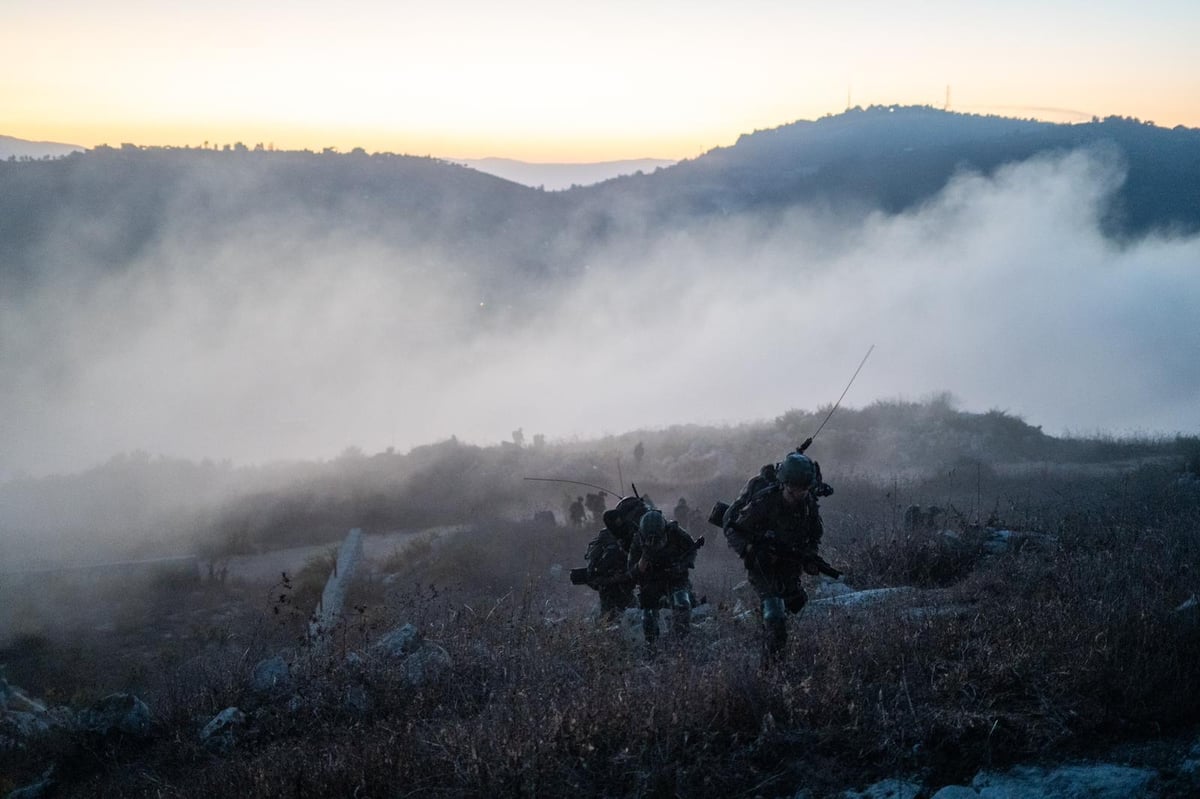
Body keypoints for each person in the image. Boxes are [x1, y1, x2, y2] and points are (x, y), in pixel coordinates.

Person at [724, 452, 828, 660]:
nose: (799, 495)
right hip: (763, 565)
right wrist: (750, 551)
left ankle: (766, 634)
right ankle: (772, 669)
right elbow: (733, 530)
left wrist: (810, 558)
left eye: (804, 490)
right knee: (774, 614)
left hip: (789, 564)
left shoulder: (808, 504)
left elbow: (814, 535)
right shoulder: (764, 502)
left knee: (794, 603)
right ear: (784, 485)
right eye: (794, 491)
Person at [628, 509, 698, 646]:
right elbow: (632, 571)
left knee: (682, 603)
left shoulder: (675, 532)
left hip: (675, 577)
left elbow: (692, 549)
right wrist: (644, 558)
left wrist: (681, 566)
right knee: (648, 615)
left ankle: (681, 640)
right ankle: (652, 646)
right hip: (651, 580)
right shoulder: (637, 541)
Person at [582, 496, 648, 619]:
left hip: (643, 587)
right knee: (613, 620)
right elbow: (593, 574)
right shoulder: (608, 537)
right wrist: (617, 578)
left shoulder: (647, 532)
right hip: (615, 590)